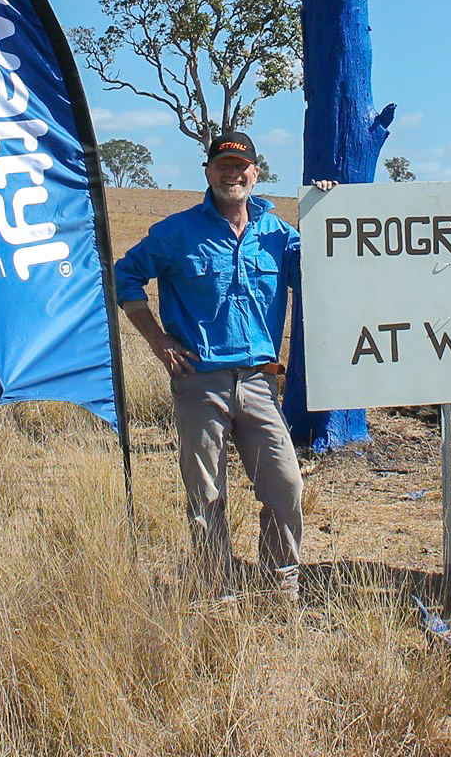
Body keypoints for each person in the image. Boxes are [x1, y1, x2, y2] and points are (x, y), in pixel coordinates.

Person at [114, 131, 311, 603]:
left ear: (256, 173)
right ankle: (215, 589)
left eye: (241, 165)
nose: (232, 173)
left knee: (285, 486)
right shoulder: (177, 233)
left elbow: (329, 265)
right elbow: (127, 275)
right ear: (207, 172)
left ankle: (280, 586)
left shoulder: (280, 235)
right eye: (222, 164)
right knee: (206, 494)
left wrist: (327, 207)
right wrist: (158, 340)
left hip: (261, 381)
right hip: (199, 381)